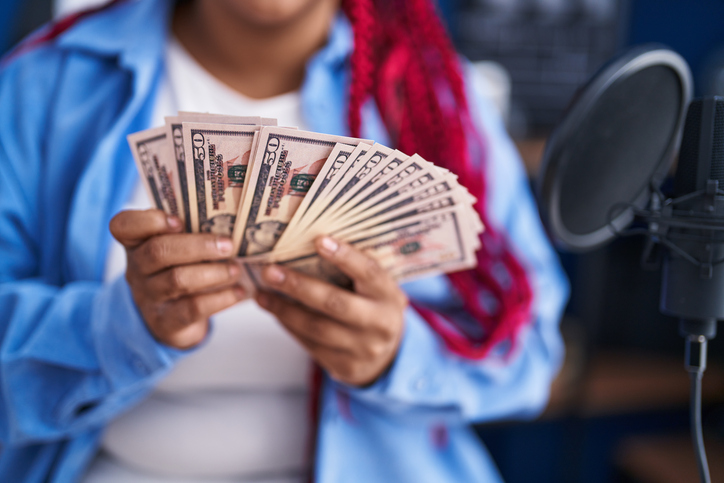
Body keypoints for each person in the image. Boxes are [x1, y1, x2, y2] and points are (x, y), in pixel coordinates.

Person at [0, 0, 569, 481]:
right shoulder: (42, 85)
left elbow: (532, 353)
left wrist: (397, 356)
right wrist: (119, 324)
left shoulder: (438, 97)